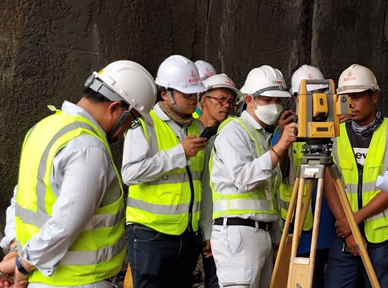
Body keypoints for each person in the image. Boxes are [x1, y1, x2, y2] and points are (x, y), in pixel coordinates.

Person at [0, 60, 157, 287]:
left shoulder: (43, 129)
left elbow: (22, 199)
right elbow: (66, 222)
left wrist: (17, 250)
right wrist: (22, 264)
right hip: (81, 281)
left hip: (44, 279)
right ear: (115, 108)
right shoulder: (89, 147)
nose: (128, 128)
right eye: (133, 119)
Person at [324, 64, 388, 288]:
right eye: (345, 98)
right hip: (345, 235)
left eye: (356, 96)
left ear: (374, 96)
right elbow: (330, 186)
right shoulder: (334, 134)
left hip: (381, 238)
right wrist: (349, 232)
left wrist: (353, 222)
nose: (350, 104)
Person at [121, 55, 208, 288]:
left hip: (188, 234)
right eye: (186, 94)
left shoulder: (198, 127)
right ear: (165, 94)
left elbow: (204, 183)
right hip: (151, 234)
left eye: (195, 94)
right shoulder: (144, 123)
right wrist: (179, 153)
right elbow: (130, 174)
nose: (193, 100)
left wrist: (206, 230)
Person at [209, 65, 296, 288]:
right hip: (238, 235)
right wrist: (281, 145)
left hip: (262, 233)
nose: (275, 106)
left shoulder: (263, 137)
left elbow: (271, 197)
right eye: (268, 99)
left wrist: (276, 238)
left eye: (278, 100)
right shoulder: (232, 131)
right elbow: (243, 179)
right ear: (249, 99)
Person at [275, 64, 335, 287]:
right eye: (305, 96)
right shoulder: (285, 130)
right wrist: (283, 139)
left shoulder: (334, 129)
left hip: (329, 222)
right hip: (297, 227)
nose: (312, 102)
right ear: (294, 97)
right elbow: (278, 175)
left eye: (318, 96)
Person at [198, 73, 243, 288]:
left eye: (230, 101)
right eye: (221, 100)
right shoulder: (192, 133)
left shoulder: (229, 134)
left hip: (217, 227)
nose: (226, 106)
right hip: (184, 226)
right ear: (204, 100)